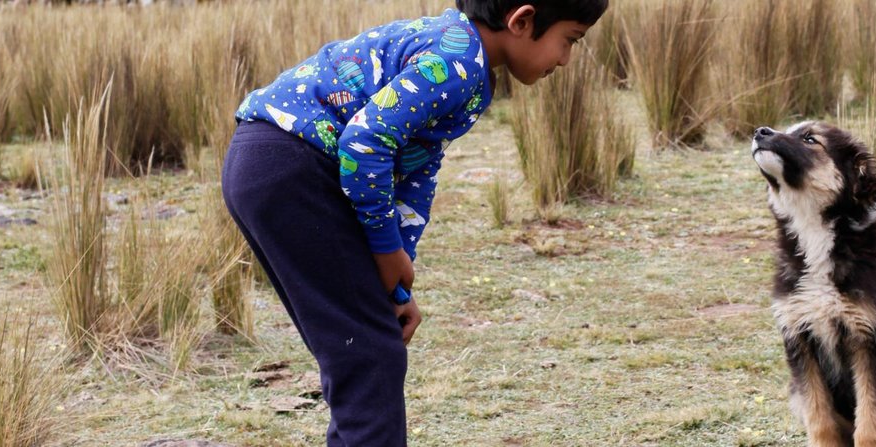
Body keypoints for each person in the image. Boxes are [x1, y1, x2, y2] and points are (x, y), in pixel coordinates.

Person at [221, 0, 608, 445]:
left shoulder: (457, 53)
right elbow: (365, 144)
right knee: (369, 355)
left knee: (363, 348)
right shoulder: (456, 60)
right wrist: (386, 251)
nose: (566, 59)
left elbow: (417, 169)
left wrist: (397, 286)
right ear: (521, 21)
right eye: (570, 40)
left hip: (267, 163)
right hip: (293, 167)